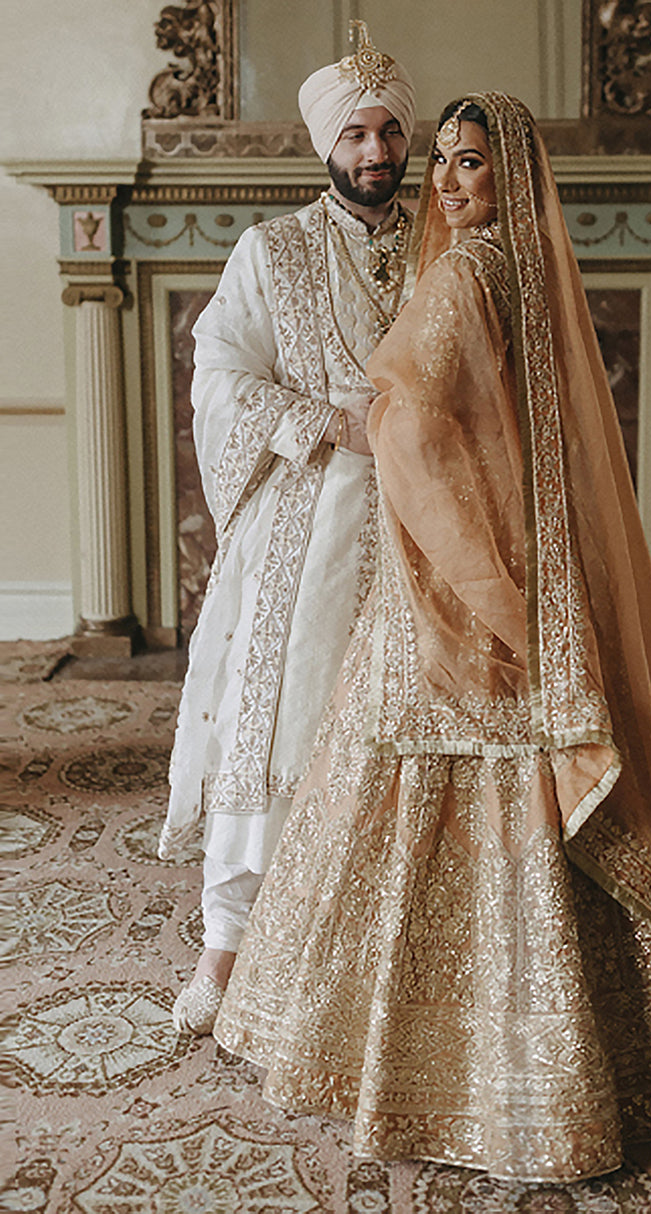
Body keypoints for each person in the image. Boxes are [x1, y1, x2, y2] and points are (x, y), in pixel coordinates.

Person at [213, 94, 651, 1183]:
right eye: (439, 159)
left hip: (459, 576)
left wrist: (448, 538)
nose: (444, 179)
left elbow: (409, 416)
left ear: (510, 176)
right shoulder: (533, 266)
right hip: (533, 552)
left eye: (469, 162)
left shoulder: (466, 271)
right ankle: (618, 1041)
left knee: (412, 788)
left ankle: (421, 1054)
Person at [159, 22, 416, 1035]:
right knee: (273, 715)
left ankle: (391, 942)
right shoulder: (272, 250)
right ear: (325, 145)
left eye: (388, 131)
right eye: (355, 133)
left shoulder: (449, 246)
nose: (374, 151)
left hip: (424, 522)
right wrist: (325, 422)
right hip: (308, 516)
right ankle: (224, 947)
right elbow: (220, 372)